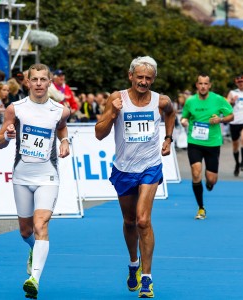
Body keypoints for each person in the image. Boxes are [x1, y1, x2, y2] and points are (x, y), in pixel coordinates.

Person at [95, 56, 176, 298]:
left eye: (148, 78)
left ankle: (148, 278)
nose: (143, 82)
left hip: (150, 166)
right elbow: (99, 134)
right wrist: (112, 113)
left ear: (154, 79)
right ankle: (133, 263)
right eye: (139, 77)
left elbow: (171, 114)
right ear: (130, 76)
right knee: (129, 221)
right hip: (123, 169)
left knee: (143, 220)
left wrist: (168, 138)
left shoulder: (161, 101)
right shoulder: (116, 98)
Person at [0, 63, 70, 300]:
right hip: (21, 176)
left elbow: (62, 128)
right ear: (27, 82)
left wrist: (66, 141)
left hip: (48, 176)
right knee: (25, 231)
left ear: (50, 83)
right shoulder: (15, 109)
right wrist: (6, 137)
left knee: (41, 225)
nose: (38, 84)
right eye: (34, 79)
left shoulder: (60, 110)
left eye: (43, 79)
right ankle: (33, 249)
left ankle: (34, 279)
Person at [181, 73, 234, 220]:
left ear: (209, 86)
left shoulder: (218, 99)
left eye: (206, 84)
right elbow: (184, 116)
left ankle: (209, 183)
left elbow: (231, 115)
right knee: (196, 172)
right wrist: (184, 121)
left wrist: (220, 119)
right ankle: (201, 208)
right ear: (197, 85)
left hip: (212, 143)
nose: (203, 86)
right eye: (200, 83)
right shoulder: (190, 101)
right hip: (194, 142)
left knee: (211, 179)